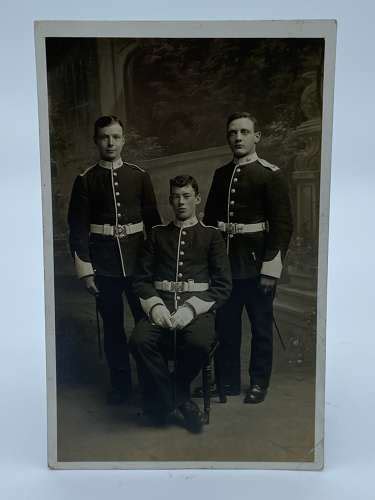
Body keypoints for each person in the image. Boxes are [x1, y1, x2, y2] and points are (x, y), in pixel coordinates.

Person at [67, 115, 161, 405]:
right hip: (104, 267)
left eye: (116, 137)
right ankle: (121, 386)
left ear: (124, 140)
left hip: (139, 266)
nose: (110, 142)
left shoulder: (139, 176)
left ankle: (151, 385)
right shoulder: (85, 180)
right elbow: (78, 228)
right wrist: (85, 270)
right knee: (113, 329)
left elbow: (154, 224)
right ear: (96, 140)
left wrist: (158, 265)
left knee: (146, 326)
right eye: (104, 137)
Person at [202, 111, 293, 404]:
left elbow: (282, 225)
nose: (237, 138)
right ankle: (227, 382)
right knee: (226, 327)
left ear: (257, 137)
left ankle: (258, 382)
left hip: (257, 266)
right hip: (226, 267)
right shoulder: (220, 174)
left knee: (260, 327)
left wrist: (271, 269)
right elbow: (210, 223)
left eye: (244, 132)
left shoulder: (271, 174)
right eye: (232, 133)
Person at [130, 175, 232, 433]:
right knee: (139, 341)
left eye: (186, 196)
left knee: (199, 343)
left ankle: (167, 399)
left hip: (197, 311)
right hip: (161, 306)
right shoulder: (156, 235)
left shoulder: (211, 236)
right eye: (176, 196)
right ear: (170, 200)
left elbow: (223, 285)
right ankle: (181, 401)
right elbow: (141, 279)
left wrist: (191, 308)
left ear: (197, 199)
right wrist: (155, 306)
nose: (181, 202)